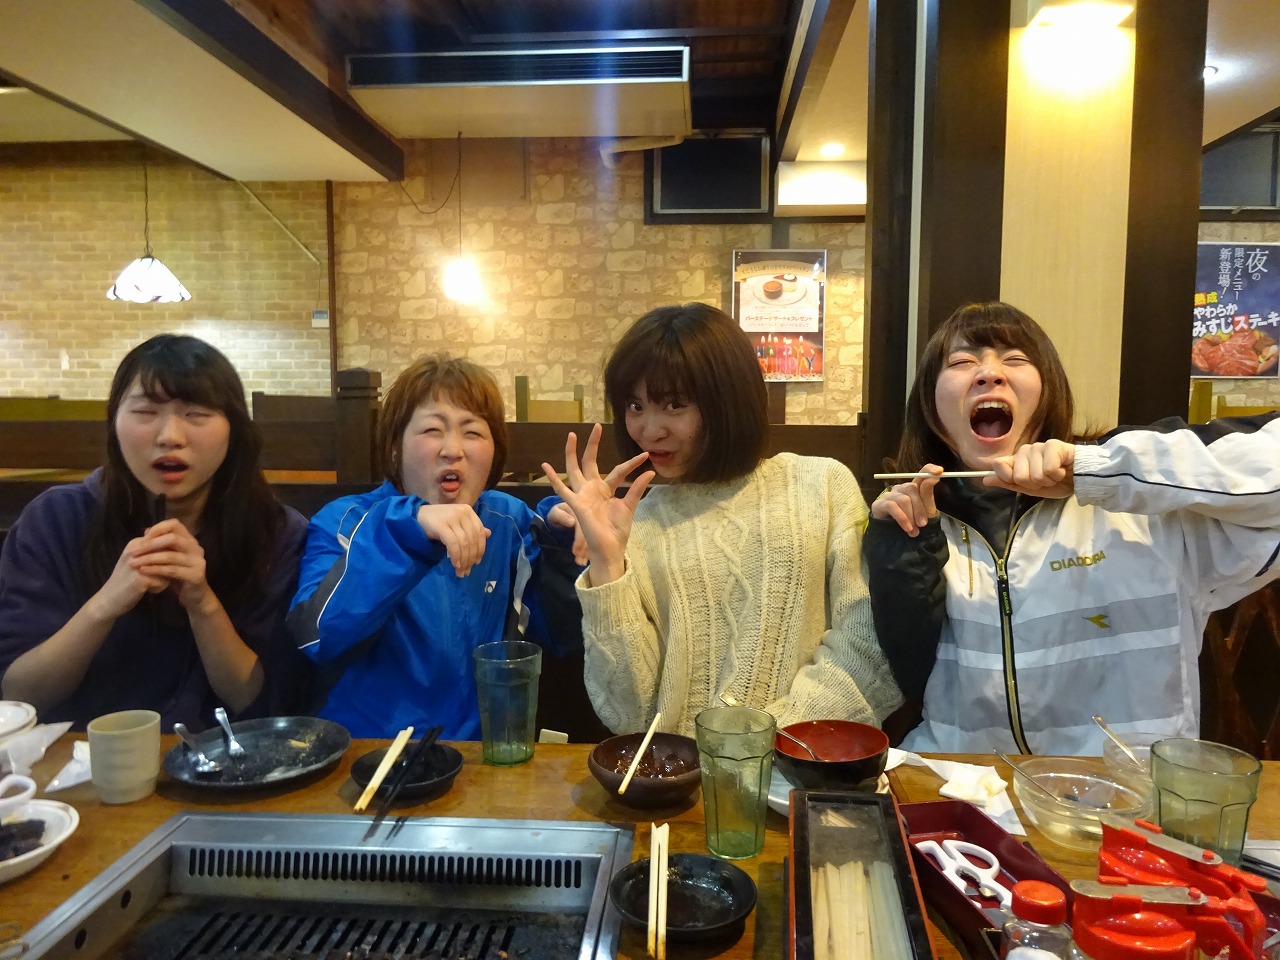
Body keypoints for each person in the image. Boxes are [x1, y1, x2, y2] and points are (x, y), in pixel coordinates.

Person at [864, 301, 1280, 756]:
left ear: (1048, 393)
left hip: (1123, 791)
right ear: (931, 409)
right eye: (962, 362)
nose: (989, 374)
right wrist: (902, 552)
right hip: (964, 786)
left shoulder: (1148, 510)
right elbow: (909, 677)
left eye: (1015, 359)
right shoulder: (921, 524)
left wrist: (1099, 470)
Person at [543, 302, 902, 738]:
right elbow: (629, 714)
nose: (648, 429)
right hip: (680, 770)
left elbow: (866, 645)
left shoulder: (822, 485)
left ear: (729, 400)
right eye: (635, 405)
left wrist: (761, 742)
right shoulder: (637, 522)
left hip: (801, 760)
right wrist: (606, 565)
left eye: (674, 404)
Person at [0, 335, 310, 730]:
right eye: (145, 412)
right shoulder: (55, 520)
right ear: (114, 422)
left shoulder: (276, 532)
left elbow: (266, 707)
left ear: (234, 429)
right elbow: (20, 694)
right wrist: (106, 603)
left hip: (226, 759)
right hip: (83, 759)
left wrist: (202, 603)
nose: (169, 436)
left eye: (196, 414)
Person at [287, 355, 583, 739]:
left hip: (482, 755)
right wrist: (406, 529)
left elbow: (564, 636)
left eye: (472, 432)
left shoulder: (509, 522)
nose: (452, 449)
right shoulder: (345, 522)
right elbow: (318, 639)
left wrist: (567, 545)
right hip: (368, 753)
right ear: (395, 447)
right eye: (432, 429)